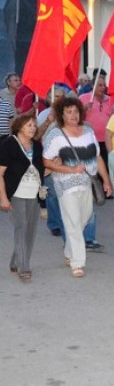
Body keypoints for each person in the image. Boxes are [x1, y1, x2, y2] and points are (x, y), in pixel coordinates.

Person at [42, 97, 112, 278]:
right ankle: (77, 262)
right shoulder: (56, 134)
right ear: (61, 114)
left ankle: (68, 250)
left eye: (76, 111)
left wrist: (106, 180)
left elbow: (97, 157)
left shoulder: (88, 130)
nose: (73, 115)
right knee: (73, 220)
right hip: (65, 183)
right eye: (69, 112)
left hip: (87, 182)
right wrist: (70, 169)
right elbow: (47, 161)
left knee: (84, 217)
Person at [0, 115, 44, 281]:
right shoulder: (9, 144)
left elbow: (41, 172)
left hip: (33, 194)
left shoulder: (37, 146)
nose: (32, 128)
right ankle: (24, 266)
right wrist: (3, 198)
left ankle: (14, 260)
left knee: (30, 231)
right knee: (21, 227)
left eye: (34, 125)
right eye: (28, 125)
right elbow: (0, 173)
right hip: (16, 194)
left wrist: (43, 199)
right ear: (19, 127)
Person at [79, 69, 113, 170]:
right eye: (99, 85)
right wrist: (84, 109)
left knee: (106, 168)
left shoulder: (110, 100)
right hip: (89, 141)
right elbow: (75, 119)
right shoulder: (83, 98)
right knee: (92, 169)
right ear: (93, 86)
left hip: (106, 141)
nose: (102, 88)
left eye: (104, 85)